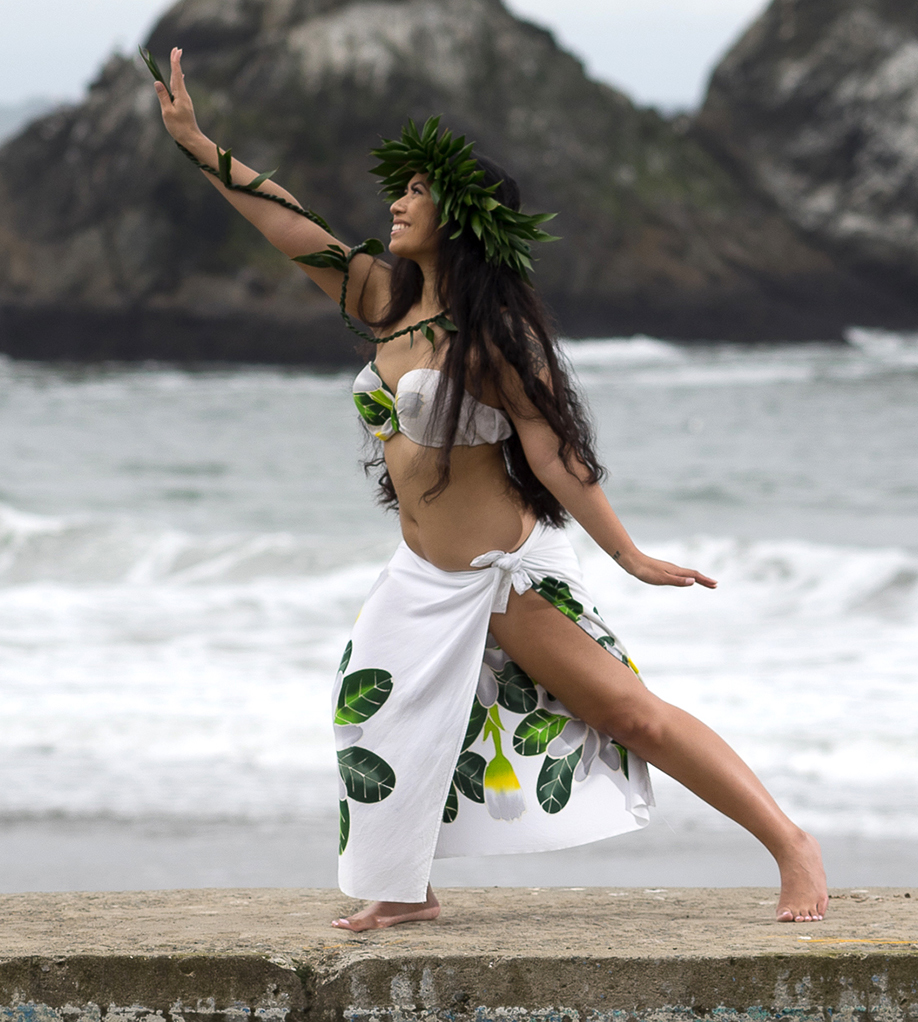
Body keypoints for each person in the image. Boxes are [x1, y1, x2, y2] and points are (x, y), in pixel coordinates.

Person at [148, 46, 827, 929]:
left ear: (460, 217)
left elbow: (554, 456)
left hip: (503, 574)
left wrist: (628, 555)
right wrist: (199, 144)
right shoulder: (384, 300)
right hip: (421, 576)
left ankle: (790, 844)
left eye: (417, 192)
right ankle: (403, 891)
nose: (396, 202)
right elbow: (288, 225)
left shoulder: (495, 337)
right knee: (373, 714)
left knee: (632, 718)